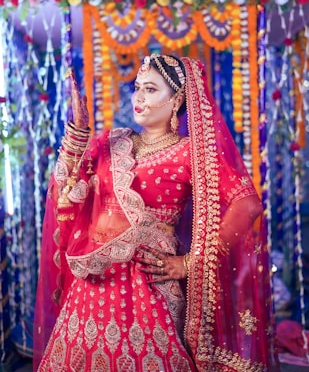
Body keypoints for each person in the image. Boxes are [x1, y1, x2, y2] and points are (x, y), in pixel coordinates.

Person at [33, 54, 279, 371]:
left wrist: (192, 263)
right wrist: (78, 133)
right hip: (93, 280)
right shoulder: (110, 143)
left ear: (176, 99)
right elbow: (65, 192)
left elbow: (248, 204)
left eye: (150, 89)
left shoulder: (191, 153)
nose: (138, 97)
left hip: (146, 283)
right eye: (137, 87)